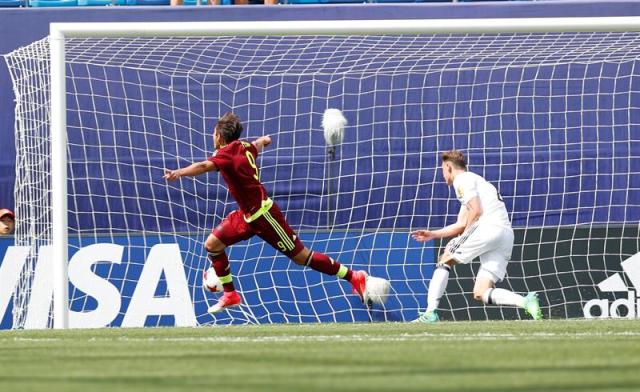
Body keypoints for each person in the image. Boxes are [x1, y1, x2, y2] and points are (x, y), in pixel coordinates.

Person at [164, 112, 369, 314]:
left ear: (219, 136)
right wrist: (264, 140)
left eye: (213, 133)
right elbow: (257, 144)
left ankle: (353, 276)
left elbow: (203, 165)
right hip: (246, 216)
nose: (212, 137)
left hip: (265, 216)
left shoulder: (224, 155)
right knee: (212, 245)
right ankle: (230, 295)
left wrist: (178, 173)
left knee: (301, 257)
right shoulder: (244, 147)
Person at [411, 150, 542, 322]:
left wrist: (462, 238)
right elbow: (461, 224)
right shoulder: (477, 183)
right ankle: (526, 301)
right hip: (505, 236)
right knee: (480, 292)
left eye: (442, 170)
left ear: (449, 167)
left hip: (488, 228)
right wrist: (433, 234)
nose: (442, 175)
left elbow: (476, 211)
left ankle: (430, 312)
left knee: (446, 256)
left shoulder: (462, 180)